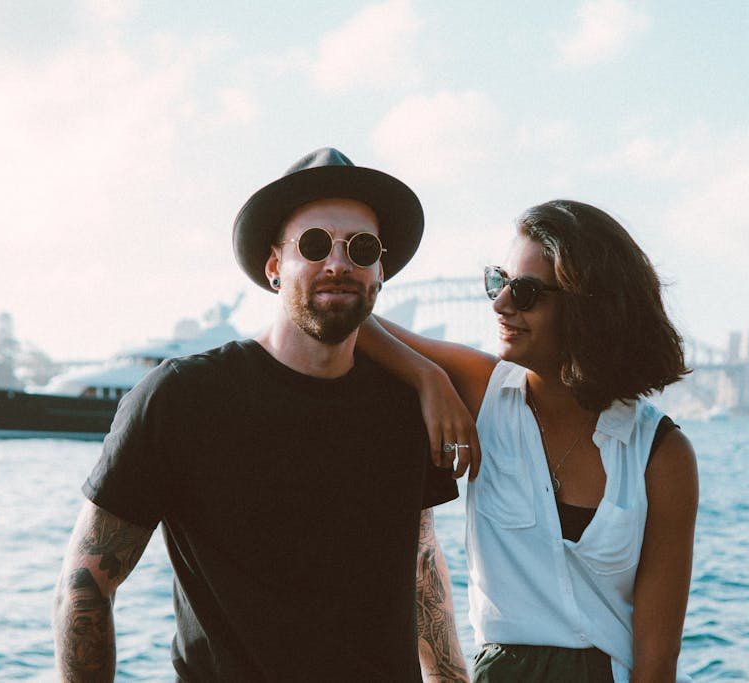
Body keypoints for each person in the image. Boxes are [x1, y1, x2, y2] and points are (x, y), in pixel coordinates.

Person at [52, 148, 469, 682]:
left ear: (380, 270)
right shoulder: (181, 398)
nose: (338, 263)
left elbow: (422, 570)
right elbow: (86, 584)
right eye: (314, 245)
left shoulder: (406, 405)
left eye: (360, 248)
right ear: (275, 267)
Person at [358, 199, 699, 682]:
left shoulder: (660, 454)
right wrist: (428, 377)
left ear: (589, 306)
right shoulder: (483, 391)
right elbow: (354, 317)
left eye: (525, 292)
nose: (500, 304)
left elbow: (658, 660)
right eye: (498, 282)